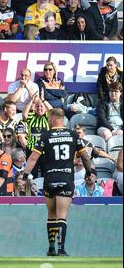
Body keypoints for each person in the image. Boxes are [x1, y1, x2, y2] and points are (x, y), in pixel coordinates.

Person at [23, 108, 93, 256]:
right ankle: (61, 248)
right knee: (62, 214)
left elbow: (33, 158)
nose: (48, 121)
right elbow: (85, 157)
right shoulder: (73, 135)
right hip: (66, 178)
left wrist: (24, 176)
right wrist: (89, 172)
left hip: (50, 178)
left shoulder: (45, 135)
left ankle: (51, 248)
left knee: (51, 213)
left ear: (53, 118)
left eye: (49, 118)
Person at [21, 96, 52, 177]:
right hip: (32, 150)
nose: (39, 108)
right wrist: (31, 100)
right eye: (37, 106)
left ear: (45, 108)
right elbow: (24, 115)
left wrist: (44, 100)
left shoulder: (48, 118)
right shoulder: (32, 116)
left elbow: (53, 111)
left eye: (42, 106)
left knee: (45, 174)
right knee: (31, 174)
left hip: (45, 151)